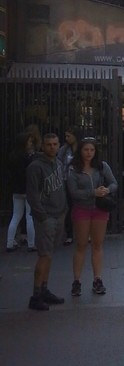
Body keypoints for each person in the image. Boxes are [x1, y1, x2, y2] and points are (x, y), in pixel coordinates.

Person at [67, 137, 118, 297]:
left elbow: (114, 183)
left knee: (97, 244)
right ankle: (77, 280)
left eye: (92, 150)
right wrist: (92, 193)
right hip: (82, 208)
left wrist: (107, 190)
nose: (89, 153)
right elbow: (73, 192)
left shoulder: (102, 167)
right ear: (80, 151)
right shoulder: (74, 169)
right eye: (86, 150)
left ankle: (97, 278)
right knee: (81, 245)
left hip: (99, 209)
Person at [26, 132, 67, 311]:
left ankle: (44, 288)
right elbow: (32, 195)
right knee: (44, 254)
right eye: (49, 144)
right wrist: (41, 215)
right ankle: (35, 294)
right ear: (43, 146)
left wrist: (64, 210)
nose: (52, 147)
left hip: (59, 213)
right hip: (46, 216)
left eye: (55, 144)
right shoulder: (35, 167)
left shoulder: (58, 163)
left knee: (49, 253)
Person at [6, 132, 36, 253]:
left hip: (16, 189)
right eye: (29, 141)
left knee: (16, 216)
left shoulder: (12, 156)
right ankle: (31, 243)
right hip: (28, 189)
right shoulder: (27, 157)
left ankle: (9, 242)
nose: (31, 144)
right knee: (30, 216)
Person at [58, 126, 81, 245]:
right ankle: (70, 233)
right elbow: (59, 163)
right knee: (69, 206)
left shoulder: (82, 148)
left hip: (81, 181)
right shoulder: (64, 149)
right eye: (65, 136)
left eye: (69, 136)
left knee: (81, 206)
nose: (66, 138)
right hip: (67, 180)